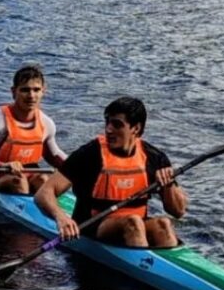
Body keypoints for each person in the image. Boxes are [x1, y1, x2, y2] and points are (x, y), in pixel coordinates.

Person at [35, 97, 187, 248]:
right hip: (94, 226)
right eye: (107, 122)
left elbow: (178, 212)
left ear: (136, 128)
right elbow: (44, 193)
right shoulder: (90, 154)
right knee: (132, 223)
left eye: (117, 124)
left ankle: (163, 268)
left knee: (164, 224)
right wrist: (61, 218)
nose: (108, 129)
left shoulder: (154, 157)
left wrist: (169, 185)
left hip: (137, 225)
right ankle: (136, 268)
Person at [0, 64, 68, 194]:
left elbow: (55, 155)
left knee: (44, 180)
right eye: (25, 90)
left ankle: (44, 204)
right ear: (14, 92)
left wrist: (81, 168)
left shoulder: (46, 123)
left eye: (36, 90)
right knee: (18, 182)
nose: (31, 96)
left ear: (43, 91)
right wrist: (1, 165)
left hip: (29, 173)